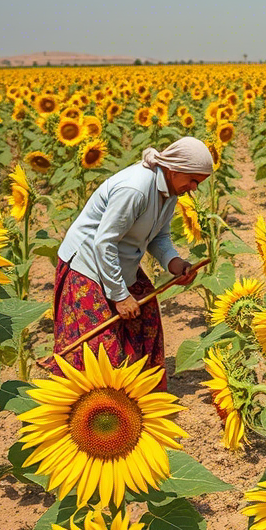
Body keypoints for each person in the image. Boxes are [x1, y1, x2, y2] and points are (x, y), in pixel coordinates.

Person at [51, 136, 212, 388]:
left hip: (119, 261)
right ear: (173, 168)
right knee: (100, 349)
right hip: (87, 264)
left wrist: (175, 263)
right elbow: (104, 242)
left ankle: (139, 399)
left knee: (145, 322)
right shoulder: (135, 189)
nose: (193, 187)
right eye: (192, 180)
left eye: (198, 183)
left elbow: (159, 237)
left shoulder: (169, 192)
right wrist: (119, 295)